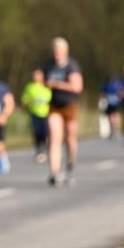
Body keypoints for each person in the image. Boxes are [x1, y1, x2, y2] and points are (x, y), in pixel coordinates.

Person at [43, 37, 84, 186]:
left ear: (65, 51)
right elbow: (42, 82)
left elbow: (77, 87)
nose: (57, 54)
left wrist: (58, 85)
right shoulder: (48, 65)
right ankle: (54, 172)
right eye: (55, 51)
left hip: (69, 105)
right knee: (54, 137)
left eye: (59, 51)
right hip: (54, 106)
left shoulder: (71, 66)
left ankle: (70, 166)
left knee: (70, 139)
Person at [21, 68, 52, 162]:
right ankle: (39, 151)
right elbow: (24, 99)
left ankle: (49, 149)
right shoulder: (30, 87)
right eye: (35, 75)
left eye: (38, 75)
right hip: (35, 113)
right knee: (37, 133)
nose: (36, 77)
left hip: (47, 114)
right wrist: (28, 102)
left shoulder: (47, 86)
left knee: (46, 132)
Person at [100, 72, 124, 140]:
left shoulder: (116, 85)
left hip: (115, 103)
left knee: (114, 115)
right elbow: (103, 93)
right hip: (110, 103)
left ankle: (115, 128)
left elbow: (121, 93)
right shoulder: (107, 85)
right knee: (112, 115)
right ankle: (113, 128)